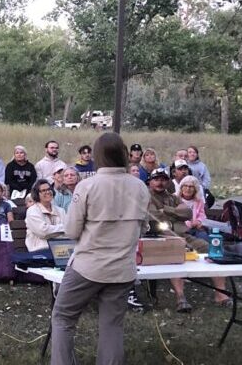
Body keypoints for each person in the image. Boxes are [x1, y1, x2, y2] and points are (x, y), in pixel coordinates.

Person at [51, 132, 149, 365]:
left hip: (88, 266)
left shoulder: (87, 186)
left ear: (97, 156)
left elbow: (72, 232)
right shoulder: (140, 187)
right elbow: (143, 228)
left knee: (63, 317)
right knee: (112, 326)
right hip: (123, 268)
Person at [146, 168, 230, 312]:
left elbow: (187, 213)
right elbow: (155, 216)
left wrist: (166, 210)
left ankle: (221, 294)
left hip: (185, 235)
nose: (160, 182)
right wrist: (175, 213)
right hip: (163, 238)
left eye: (163, 179)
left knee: (213, 250)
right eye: (156, 179)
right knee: (176, 256)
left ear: (167, 181)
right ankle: (181, 298)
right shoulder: (147, 196)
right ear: (150, 181)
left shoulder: (172, 197)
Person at [24, 180, 65, 252]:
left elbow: (68, 231)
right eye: (43, 190)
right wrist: (63, 228)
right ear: (37, 194)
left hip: (61, 250)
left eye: (49, 189)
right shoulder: (32, 211)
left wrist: (51, 230)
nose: (48, 192)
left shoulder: (61, 211)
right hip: (40, 250)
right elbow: (43, 232)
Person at [175, 175, 210, 240]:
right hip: (180, 229)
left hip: (196, 228)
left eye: (191, 187)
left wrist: (198, 221)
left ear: (195, 189)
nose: (188, 189)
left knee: (204, 237)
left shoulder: (199, 201)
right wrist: (188, 223)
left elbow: (202, 215)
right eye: (185, 186)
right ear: (181, 187)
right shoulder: (174, 199)